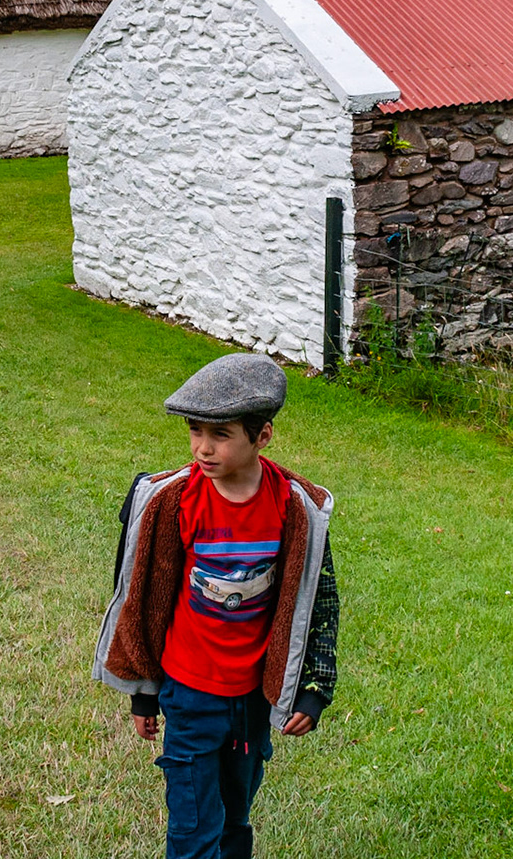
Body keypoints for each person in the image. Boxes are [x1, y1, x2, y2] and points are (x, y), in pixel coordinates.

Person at [93, 352, 340, 859]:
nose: (203, 448)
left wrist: (313, 691)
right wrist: (143, 694)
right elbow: (145, 601)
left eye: (221, 434)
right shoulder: (175, 500)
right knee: (193, 828)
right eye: (194, 431)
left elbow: (320, 602)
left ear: (262, 436)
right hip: (188, 694)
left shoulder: (297, 510)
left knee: (233, 818)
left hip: (251, 699)